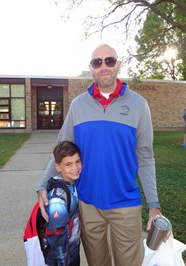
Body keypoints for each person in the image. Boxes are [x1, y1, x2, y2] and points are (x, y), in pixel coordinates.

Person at [37, 44, 163, 266]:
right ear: (91, 68)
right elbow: (60, 149)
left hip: (126, 204)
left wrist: (154, 203)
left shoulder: (138, 105)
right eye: (97, 62)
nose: (103, 66)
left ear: (118, 65)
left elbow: (145, 157)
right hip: (88, 203)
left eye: (109, 61)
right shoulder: (78, 105)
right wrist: (42, 185)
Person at [24, 141, 82, 266]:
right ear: (57, 167)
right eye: (68, 164)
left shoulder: (71, 184)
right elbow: (56, 234)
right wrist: (63, 261)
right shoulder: (58, 198)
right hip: (62, 259)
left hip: (72, 252)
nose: (75, 168)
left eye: (77, 161)